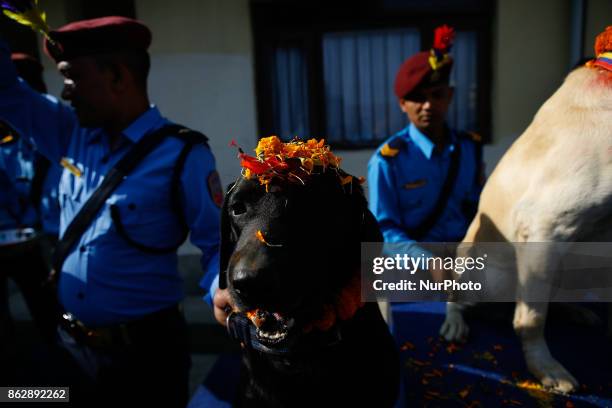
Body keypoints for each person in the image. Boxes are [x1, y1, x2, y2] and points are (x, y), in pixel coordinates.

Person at [0, 16, 221, 407]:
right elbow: (6, 91)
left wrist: (223, 292)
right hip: (69, 347)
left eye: (73, 78)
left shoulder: (183, 154)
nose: (65, 93)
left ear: (118, 77)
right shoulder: (69, 134)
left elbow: (218, 245)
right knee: (23, 398)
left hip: (145, 359)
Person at [367, 25, 485, 283]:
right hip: (414, 273)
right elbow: (384, 230)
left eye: (437, 95)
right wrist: (426, 260)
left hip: (468, 268)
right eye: (418, 98)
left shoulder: (470, 149)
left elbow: (480, 211)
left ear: (450, 96)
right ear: (402, 104)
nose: (428, 105)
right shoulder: (388, 160)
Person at [0, 53, 62, 350]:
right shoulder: (6, 145)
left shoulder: (59, 138)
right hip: (10, 242)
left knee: (51, 318)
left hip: (47, 246)